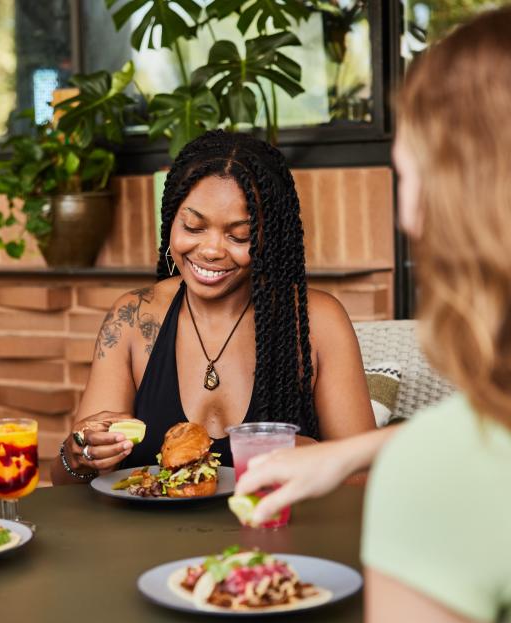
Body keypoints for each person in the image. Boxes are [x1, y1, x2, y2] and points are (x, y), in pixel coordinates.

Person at [240, 7, 511, 623]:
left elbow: (486, 458)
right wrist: (356, 452)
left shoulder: (447, 475)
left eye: (405, 173)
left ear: (447, 202)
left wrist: (411, 460)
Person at [51, 129, 376, 483]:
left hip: (275, 536)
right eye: (193, 226)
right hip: (152, 538)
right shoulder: (133, 318)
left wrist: (313, 455)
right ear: (171, 221)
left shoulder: (317, 322)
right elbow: (68, 484)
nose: (210, 250)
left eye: (239, 236)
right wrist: (78, 455)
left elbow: (367, 482)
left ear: (270, 238)